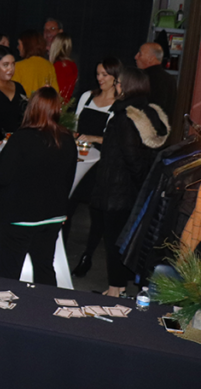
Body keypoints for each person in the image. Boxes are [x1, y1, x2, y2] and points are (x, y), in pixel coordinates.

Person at [0, 88, 77, 285]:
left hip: (19, 217)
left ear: (32, 108)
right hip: (52, 216)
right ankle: (46, 310)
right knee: (44, 269)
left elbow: (2, 176)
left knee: (8, 273)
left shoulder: (21, 139)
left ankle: (4, 312)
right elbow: (69, 179)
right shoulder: (67, 139)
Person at [90, 67, 169, 297]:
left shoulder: (125, 117)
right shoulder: (150, 113)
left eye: (118, 82)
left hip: (117, 190)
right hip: (133, 191)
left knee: (114, 242)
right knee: (125, 241)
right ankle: (119, 287)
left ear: (126, 86)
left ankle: (115, 291)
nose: (116, 86)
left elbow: (131, 157)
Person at [68, 58, 122, 276]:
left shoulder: (119, 105)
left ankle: (87, 255)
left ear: (116, 77)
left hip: (101, 164)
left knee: (96, 213)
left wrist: (93, 138)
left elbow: (115, 139)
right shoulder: (87, 97)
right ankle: (57, 251)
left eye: (105, 75)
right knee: (67, 205)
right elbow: (74, 123)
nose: (100, 78)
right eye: (98, 74)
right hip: (79, 158)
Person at [135, 42, 177, 117]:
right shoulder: (171, 80)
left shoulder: (144, 78)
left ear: (151, 58)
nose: (136, 57)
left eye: (140, 54)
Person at [12, 30, 58, 94]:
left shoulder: (18, 66)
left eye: (19, 44)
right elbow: (55, 92)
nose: (18, 47)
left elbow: (12, 91)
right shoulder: (49, 66)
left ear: (26, 45)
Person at [49, 33, 77, 103]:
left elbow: (58, 90)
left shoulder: (58, 65)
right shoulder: (72, 64)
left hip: (56, 105)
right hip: (66, 105)